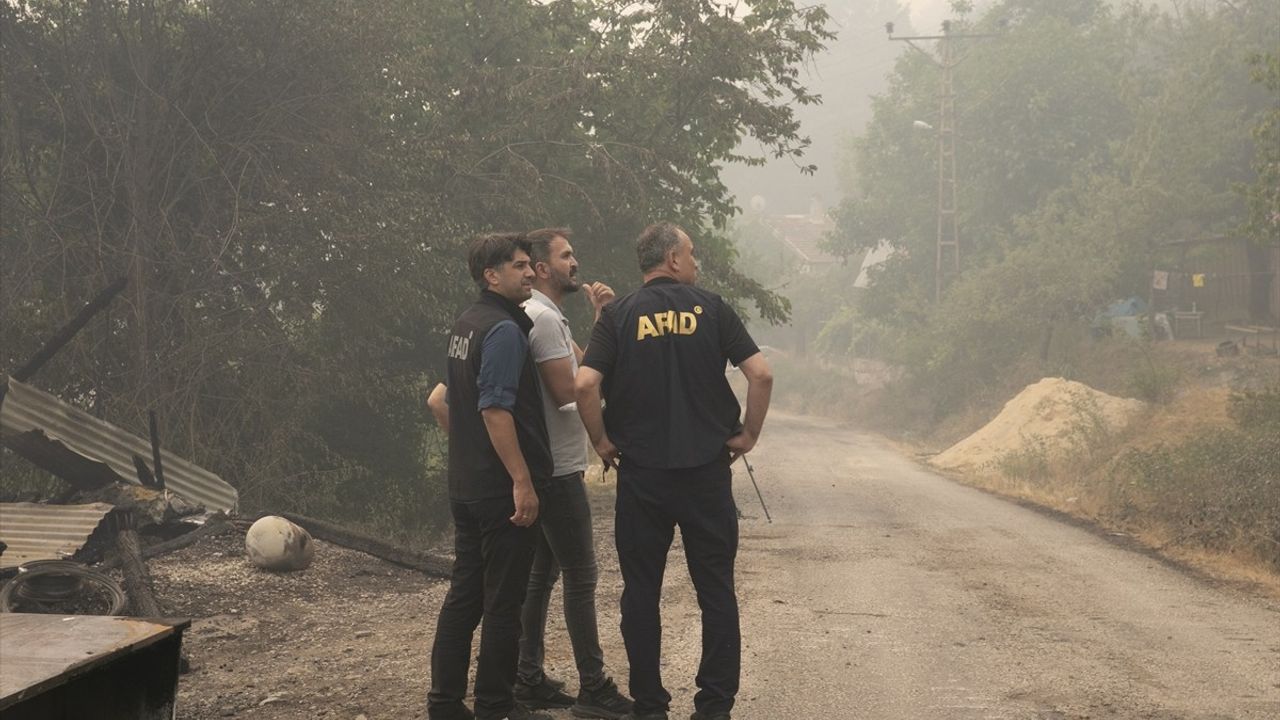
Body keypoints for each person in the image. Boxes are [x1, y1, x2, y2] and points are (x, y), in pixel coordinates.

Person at [574, 222, 773, 720]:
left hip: (643, 477)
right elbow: (762, 374)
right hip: (706, 473)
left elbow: (584, 385)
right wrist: (748, 435)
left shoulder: (618, 315)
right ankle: (714, 706)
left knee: (641, 592)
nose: (696, 262)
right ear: (673, 259)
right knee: (716, 590)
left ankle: (650, 705)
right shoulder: (712, 308)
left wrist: (601, 441)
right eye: (691, 252)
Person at [427, 233, 554, 720]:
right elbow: (496, 410)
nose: (530, 272)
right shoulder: (503, 330)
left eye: (529, 264)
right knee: (504, 602)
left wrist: (475, 453)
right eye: (519, 266)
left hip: (467, 486)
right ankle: (496, 706)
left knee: (465, 595)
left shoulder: (466, 323)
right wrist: (522, 480)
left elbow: (440, 400)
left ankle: (445, 704)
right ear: (491, 275)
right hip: (501, 492)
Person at [512, 228, 633, 719]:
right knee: (581, 576)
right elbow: (572, 389)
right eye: (565, 256)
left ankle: (527, 676)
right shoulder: (541, 319)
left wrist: (602, 319)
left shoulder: (548, 316)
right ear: (543, 268)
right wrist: (603, 435)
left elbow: (587, 368)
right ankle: (594, 687)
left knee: (542, 575)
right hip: (557, 468)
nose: (575, 262)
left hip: (551, 463)